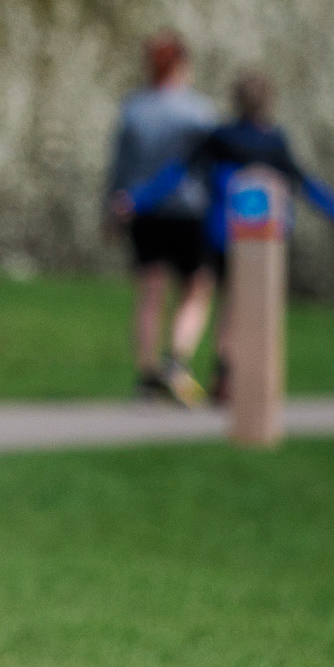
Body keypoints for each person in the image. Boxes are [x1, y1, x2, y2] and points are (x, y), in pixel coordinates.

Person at [121, 70, 334, 402]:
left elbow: (175, 174)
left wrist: (137, 200)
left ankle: (177, 358)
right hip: (259, 237)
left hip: (216, 231)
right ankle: (225, 371)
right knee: (235, 304)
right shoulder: (274, 143)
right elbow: (307, 185)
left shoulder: (218, 138)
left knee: (199, 293)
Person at [105, 32, 219, 404]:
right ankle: (176, 360)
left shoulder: (134, 108)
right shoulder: (200, 112)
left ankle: (147, 374)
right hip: (189, 210)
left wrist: (111, 208)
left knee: (150, 293)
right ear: (182, 64)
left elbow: (119, 166)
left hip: (142, 210)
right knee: (197, 287)